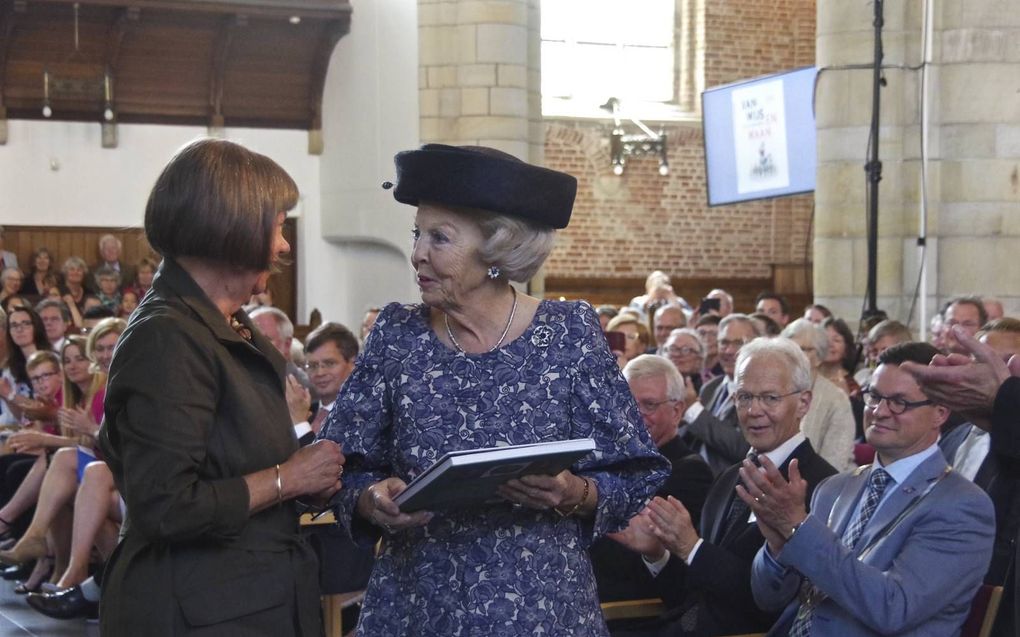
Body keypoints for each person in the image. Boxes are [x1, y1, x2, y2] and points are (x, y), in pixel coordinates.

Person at [319, 143, 669, 636]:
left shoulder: (568, 332)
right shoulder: (397, 334)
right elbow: (337, 464)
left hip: (543, 608)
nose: (417, 252)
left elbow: (636, 471)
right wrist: (370, 499)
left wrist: (576, 492)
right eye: (417, 233)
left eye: (439, 237)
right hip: (417, 606)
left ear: (497, 251)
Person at [96, 138, 345, 636]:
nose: (284, 245)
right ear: (232, 227)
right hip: (196, 609)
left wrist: (310, 483)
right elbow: (165, 504)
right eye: (276, 226)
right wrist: (288, 479)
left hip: (243, 598)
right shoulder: (167, 336)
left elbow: (233, 459)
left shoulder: (227, 324)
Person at [746, 342, 995, 637]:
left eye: (899, 402)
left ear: (940, 412)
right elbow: (767, 599)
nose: (879, 411)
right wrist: (777, 548)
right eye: (874, 396)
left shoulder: (961, 505)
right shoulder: (834, 488)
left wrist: (800, 530)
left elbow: (893, 608)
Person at [611, 337, 836, 637]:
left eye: (770, 398)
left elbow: (770, 604)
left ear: (803, 403)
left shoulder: (821, 486)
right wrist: (657, 554)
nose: (754, 410)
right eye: (744, 397)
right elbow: (691, 594)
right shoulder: (729, 478)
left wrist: (693, 547)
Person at [591, 354, 713, 603]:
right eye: (628, 404)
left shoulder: (690, 473)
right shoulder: (608, 460)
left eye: (649, 405)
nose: (636, 415)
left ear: (677, 410)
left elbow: (673, 571)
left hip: (637, 613)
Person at [681, 313, 761, 475]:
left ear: (756, 346)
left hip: (732, 485)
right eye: (724, 342)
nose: (729, 350)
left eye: (739, 343)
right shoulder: (711, 387)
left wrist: (693, 410)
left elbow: (743, 448)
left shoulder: (759, 393)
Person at [781, 318, 855, 470]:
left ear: (819, 357)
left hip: (822, 485)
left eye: (803, 349)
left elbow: (835, 462)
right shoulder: (777, 393)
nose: (793, 356)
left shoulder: (836, 399)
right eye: (789, 349)